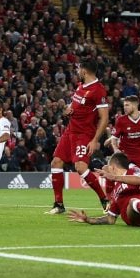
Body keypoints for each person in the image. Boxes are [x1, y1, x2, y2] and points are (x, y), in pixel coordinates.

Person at [46, 58, 109, 214]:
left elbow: (104, 117)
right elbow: (76, 106)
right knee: (56, 162)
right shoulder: (80, 87)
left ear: (84, 71)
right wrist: (69, 109)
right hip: (70, 131)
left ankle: (104, 200)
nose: (77, 72)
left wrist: (94, 140)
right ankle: (58, 204)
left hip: (84, 134)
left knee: (80, 167)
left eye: (79, 69)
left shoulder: (98, 90)